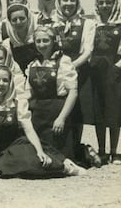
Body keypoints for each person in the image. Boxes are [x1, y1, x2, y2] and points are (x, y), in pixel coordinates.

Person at [0, 65, 86, 178]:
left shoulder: (17, 103)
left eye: (5, 80)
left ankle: (64, 168)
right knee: (6, 167)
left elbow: (28, 129)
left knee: (33, 161)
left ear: (10, 83)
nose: (1, 84)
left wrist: (39, 151)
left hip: (19, 144)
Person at [53, 0, 96, 150]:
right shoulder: (53, 23)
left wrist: (70, 67)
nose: (68, 3)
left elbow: (88, 51)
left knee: (77, 110)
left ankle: (76, 148)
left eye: (72, 0)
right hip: (56, 72)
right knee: (59, 107)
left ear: (77, 3)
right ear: (59, 3)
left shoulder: (87, 23)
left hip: (79, 71)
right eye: (65, 0)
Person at [25, 26, 78, 159]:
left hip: (56, 112)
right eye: (38, 41)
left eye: (45, 40)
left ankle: (84, 152)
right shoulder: (32, 64)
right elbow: (28, 93)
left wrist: (62, 118)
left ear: (53, 41)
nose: (41, 45)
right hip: (38, 113)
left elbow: (73, 92)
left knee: (59, 157)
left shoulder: (63, 61)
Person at [90, 0, 121, 165]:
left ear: (114, 4)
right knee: (99, 110)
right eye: (101, 2)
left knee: (114, 110)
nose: (105, 5)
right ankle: (102, 150)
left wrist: (118, 66)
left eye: (108, 2)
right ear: (97, 5)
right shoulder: (93, 24)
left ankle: (114, 151)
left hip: (114, 69)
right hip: (96, 70)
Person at [1, 3, 38, 73]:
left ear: (28, 19)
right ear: (10, 22)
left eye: (22, 18)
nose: (18, 22)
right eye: (14, 20)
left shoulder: (38, 39)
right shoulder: (7, 45)